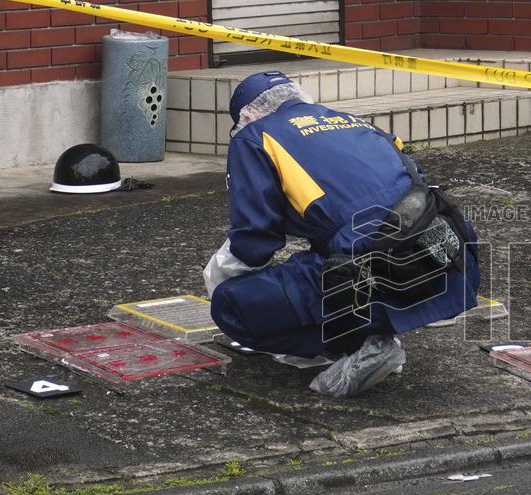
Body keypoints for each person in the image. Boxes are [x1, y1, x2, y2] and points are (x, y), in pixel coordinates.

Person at [204, 71, 480, 395]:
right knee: (329, 256)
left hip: (368, 276)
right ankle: (372, 331)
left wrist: (221, 273)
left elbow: (255, 238)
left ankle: (357, 344)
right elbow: (413, 184)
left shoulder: (255, 137)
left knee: (231, 303)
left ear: (247, 116)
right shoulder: (355, 122)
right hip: (448, 265)